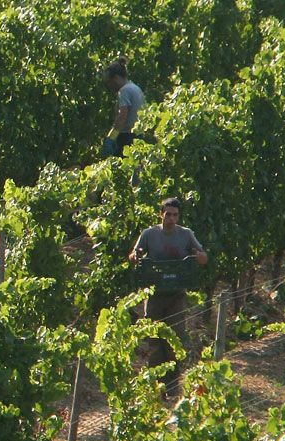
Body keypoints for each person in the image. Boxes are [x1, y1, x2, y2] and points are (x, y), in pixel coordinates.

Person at [129, 197, 208, 396]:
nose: (171, 218)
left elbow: (203, 257)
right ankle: (155, 386)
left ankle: (172, 386)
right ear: (161, 214)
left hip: (176, 294)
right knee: (155, 340)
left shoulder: (186, 234)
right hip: (154, 294)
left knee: (174, 339)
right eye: (168, 214)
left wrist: (199, 257)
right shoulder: (149, 234)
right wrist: (136, 255)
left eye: (175, 215)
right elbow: (133, 257)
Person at [102, 56, 144, 157]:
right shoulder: (135, 88)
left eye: (110, 82)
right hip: (138, 135)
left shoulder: (124, 91)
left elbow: (122, 115)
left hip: (127, 137)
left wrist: (111, 137)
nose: (110, 86)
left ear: (116, 78)